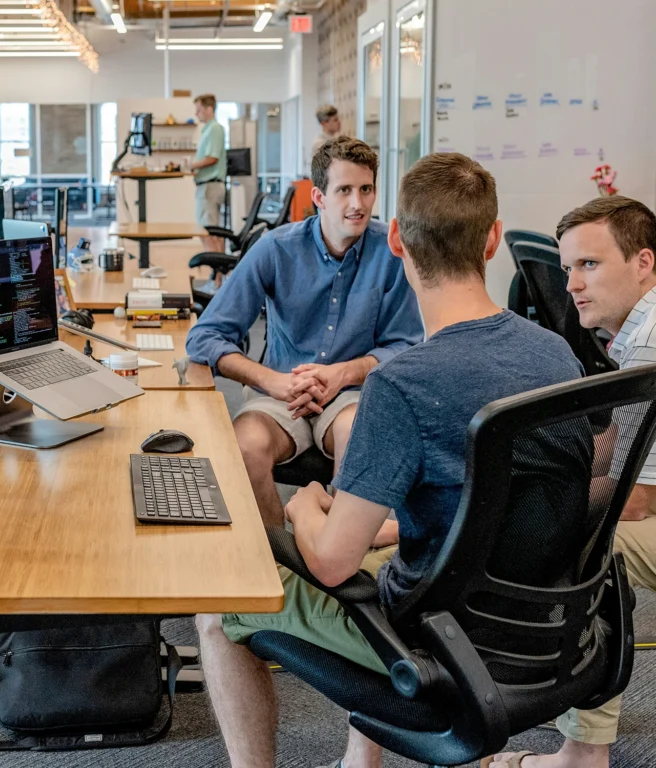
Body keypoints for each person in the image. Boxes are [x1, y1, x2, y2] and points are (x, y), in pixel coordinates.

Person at [195, 152, 587, 768]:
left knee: (216, 609)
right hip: (546, 630)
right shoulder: (557, 354)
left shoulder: (402, 386)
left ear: (398, 240)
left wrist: (305, 504)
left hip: (435, 643)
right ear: (491, 240)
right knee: (376, 542)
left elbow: (328, 563)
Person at [489, 196, 656, 768]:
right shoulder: (637, 332)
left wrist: (502, 514)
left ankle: (583, 754)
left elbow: (633, 500)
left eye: (590, 265)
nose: (571, 285)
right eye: (567, 269)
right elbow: (615, 448)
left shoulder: (648, 343)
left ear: (643, 263)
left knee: (591, 550)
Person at [186, 136, 423, 529]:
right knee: (245, 446)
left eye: (366, 190)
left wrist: (343, 374)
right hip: (281, 393)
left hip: (351, 395)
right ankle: (281, 559)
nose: (358, 204)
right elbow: (205, 336)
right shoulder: (275, 249)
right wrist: (272, 381)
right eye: (344, 190)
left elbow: (407, 346)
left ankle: (335, 556)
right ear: (319, 196)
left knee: (358, 436)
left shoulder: (392, 252)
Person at [191, 94, 227, 252]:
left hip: (210, 187)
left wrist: (192, 165)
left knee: (209, 233)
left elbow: (212, 157)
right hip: (206, 186)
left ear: (209, 109)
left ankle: (217, 275)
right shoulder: (207, 130)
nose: (196, 113)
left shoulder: (214, 129)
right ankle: (217, 273)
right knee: (209, 231)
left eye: (199, 110)